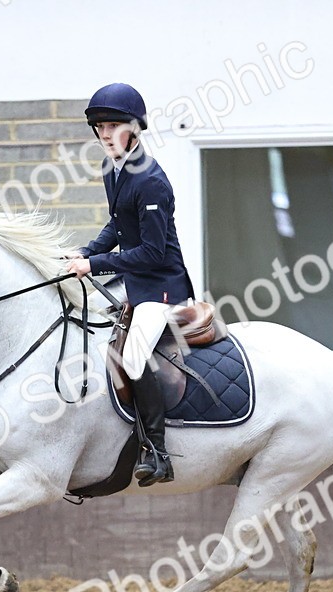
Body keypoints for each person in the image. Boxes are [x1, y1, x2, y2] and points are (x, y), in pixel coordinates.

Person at [65, 83, 194, 487]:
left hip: (162, 286)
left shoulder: (151, 181)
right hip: (133, 281)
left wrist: (95, 264)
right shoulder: (113, 169)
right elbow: (117, 226)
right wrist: (82, 254)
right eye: (100, 127)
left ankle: (157, 449)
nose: (105, 134)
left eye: (114, 126)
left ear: (135, 129)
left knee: (134, 357)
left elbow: (154, 254)